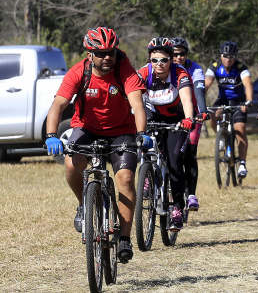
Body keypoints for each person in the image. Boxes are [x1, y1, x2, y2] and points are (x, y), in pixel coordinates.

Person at [44, 27, 147, 264]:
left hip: (122, 131)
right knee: (71, 165)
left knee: (126, 179)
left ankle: (124, 238)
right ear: (90, 54)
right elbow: (58, 105)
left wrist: (141, 133)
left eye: (110, 52)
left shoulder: (125, 71)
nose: (107, 57)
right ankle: (84, 205)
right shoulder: (78, 72)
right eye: (100, 53)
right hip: (86, 129)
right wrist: (51, 135)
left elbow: (138, 105)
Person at [137, 37, 197, 231]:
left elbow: (187, 99)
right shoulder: (143, 73)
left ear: (171, 59)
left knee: (174, 161)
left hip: (177, 121)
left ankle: (177, 208)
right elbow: (131, 96)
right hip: (152, 118)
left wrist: (188, 118)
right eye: (154, 60)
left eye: (163, 60)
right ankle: (147, 175)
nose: (159, 64)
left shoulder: (180, 73)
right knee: (143, 143)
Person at [205, 41, 254, 179]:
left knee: (240, 130)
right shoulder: (215, 67)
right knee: (212, 114)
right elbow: (206, 85)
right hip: (223, 100)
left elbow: (248, 85)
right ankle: (220, 136)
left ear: (235, 56)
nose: (228, 59)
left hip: (239, 101)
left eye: (231, 56)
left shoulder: (240, 68)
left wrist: (248, 101)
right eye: (225, 56)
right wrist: (200, 101)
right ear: (221, 56)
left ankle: (242, 163)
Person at [170, 37, 208, 212]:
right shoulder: (163, 67)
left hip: (191, 113)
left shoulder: (195, 69)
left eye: (182, 54)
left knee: (190, 153)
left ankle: (191, 194)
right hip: (170, 114)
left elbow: (199, 90)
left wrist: (202, 110)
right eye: (175, 54)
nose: (178, 57)